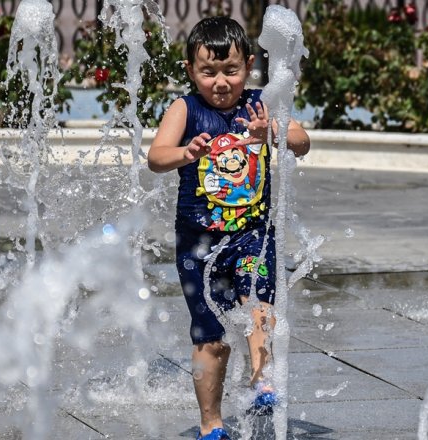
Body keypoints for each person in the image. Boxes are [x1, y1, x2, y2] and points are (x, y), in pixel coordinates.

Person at [147, 16, 310, 440]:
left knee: (260, 304)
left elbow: (302, 141)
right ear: (190, 71)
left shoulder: (261, 105)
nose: (221, 82)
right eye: (208, 72)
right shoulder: (186, 108)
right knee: (210, 336)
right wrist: (186, 151)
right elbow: (156, 156)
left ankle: (262, 381)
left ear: (249, 66)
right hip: (198, 240)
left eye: (231, 71)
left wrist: (270, 131)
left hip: (252, 232)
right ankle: (211, 424)